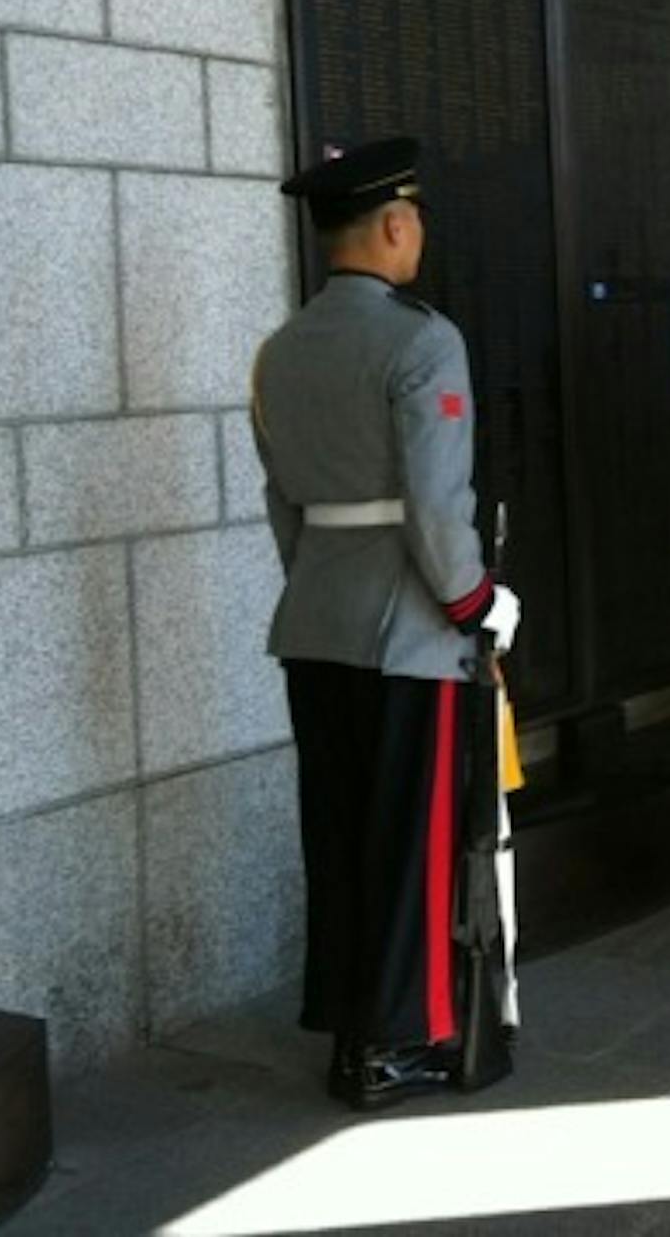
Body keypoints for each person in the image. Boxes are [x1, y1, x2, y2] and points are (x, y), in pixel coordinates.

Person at [253, 136, 522, 1111]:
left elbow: (284, 503)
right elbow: (432, 506)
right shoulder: (423, 339)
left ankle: (347, 1032)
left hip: (316, 621)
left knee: (339, 838)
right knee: (410, 844)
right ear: (397, 226)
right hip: (410, 628)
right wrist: (478, 604)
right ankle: (398, 1044)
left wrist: (321, 583)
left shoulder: (281, 349)